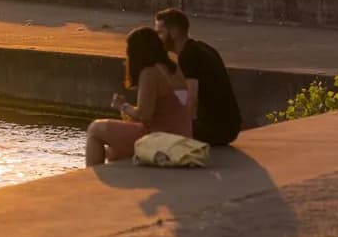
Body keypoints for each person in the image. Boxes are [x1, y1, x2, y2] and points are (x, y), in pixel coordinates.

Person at [85, 27, 192, 166]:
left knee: (94, 129)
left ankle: (90, 176)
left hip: (162, 137)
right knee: (113, 151)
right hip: (181, 134)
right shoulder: (172, 67)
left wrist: (122, 105)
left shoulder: (150, 73)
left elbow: (144, 115)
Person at [154, 9, 241, 147]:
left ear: (174, 32)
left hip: (214, 129)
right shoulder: (203, 48)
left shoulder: (188, 56)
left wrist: (183, 135)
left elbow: (191, 99)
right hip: (230, 127)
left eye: (160, 32)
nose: (157, 38)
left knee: (155, 129)